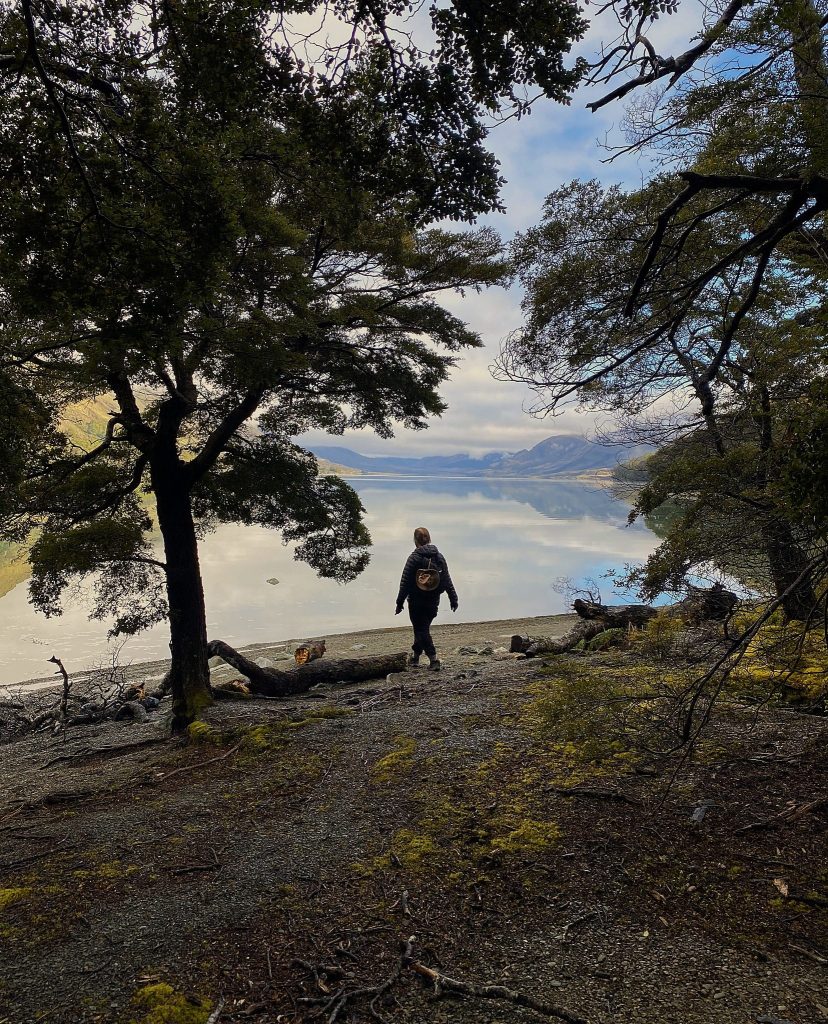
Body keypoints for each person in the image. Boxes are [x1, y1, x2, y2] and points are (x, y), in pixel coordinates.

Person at [395, 526, 458, 671]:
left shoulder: (414, 558)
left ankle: (434, 659)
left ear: (415, 540)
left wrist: (399, 602)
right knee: (422, 628)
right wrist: (453, 598)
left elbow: (405, 582)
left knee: (421, 630)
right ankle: (415, 657)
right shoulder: (439, 557)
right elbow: (447, 579)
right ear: (429, 539)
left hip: (416, 601)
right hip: (433, 601)